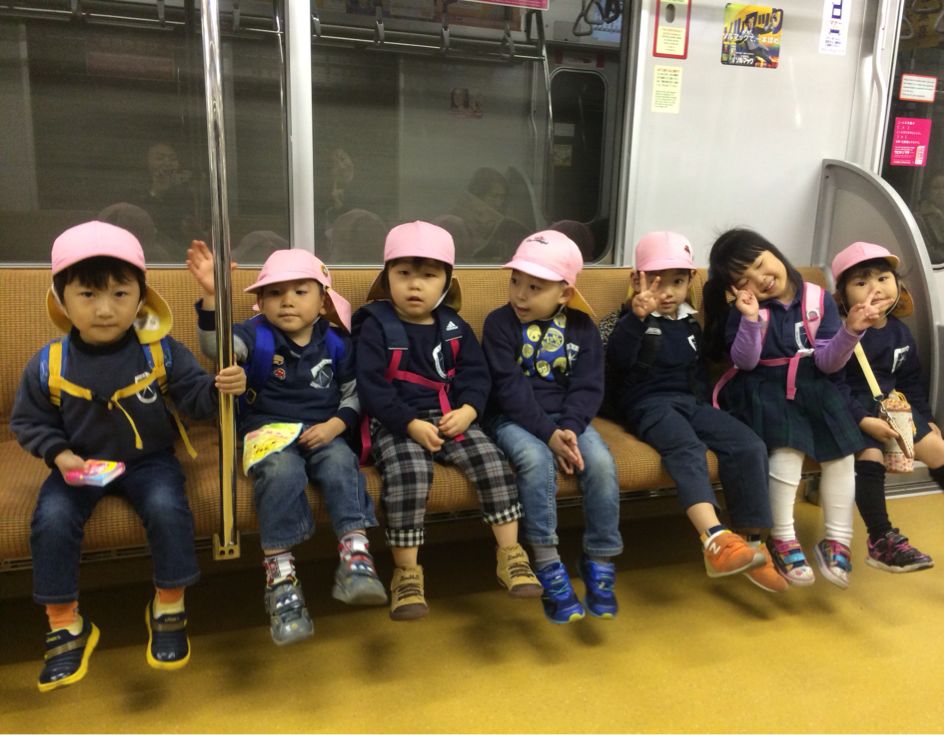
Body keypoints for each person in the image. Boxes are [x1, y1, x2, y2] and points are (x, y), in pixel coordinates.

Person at [10, 221, 245, 692]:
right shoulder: (49, 362)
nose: (104, 309)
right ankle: (65, 624)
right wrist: (59, 455)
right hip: (80, 464)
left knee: (167, 507)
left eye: (120, 294)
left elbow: (198, 400)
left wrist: (224, 387)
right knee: (51, 519)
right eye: (88, 294)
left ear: (141, 299)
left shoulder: (159, 351)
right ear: (62, 300)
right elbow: (29, 421)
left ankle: (169, 606)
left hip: (148, 462)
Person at [187, 242, 386, 646]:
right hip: (267, 431)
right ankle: (280, 575)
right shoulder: (255, 335)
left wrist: (335, 426)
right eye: (275, 293)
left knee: (339, 461)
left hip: (322, 429)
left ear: (323, 301)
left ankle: (355, 553)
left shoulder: (336, 342)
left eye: (300, 291)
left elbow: (353, 394)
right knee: (282, 470)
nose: (287, 301)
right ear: (260, 302)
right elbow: (218, 348)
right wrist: (212, 297)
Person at [353, 220, 541, 620]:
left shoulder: (454, 327)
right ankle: (407, 574)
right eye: (404, 274)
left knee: (492, 462)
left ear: (446, 282)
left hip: (451, 417)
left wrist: (469, 410)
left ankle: (510, 553)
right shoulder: (375, 326)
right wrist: (409, 423)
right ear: (386, 279)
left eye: (428, 276)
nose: (415, 285)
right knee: (409, 475)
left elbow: (477, 375)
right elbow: (371, 388)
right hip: (396, 422)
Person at [604, 232, 785, 592]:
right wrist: (636, 318)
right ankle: (714, 538)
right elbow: (617, 361)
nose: (668, 292)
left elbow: (698, 371)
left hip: (690, 402)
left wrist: (710, 411)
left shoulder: (689, 323)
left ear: (691, 281)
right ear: (636, 280)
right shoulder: (631, 319)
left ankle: (751, 544)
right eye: (657, 281)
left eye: (678, 281)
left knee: (748, 443)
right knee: (687, 448)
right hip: (647, 404)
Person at [702, 228, 881, 589]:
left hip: (812, 386)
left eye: (759, 263)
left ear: (773, 251)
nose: (760, 278)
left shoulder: (817, 299)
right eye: (744, 279)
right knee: (786, 450)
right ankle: (783, 538)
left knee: (842, 456)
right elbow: (745, 361)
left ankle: (837, 540)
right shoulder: (745, 310)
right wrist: (750, 319)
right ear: (735, 289)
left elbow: (828, 363)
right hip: (763, 388)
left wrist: (850, 331)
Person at [483, 231, 622, 623]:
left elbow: (589, 386)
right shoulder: (499, 324)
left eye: (535, 287)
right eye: (516, 282)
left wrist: (571, 429)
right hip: (512, 418)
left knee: (601, 464)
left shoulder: (583, 328)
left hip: (568, 421)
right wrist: (548, 435)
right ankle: (547, 564)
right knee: (535, 460)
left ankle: (600, 560)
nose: (520, 295)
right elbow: (508, 389)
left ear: (564, 293)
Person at [830, 241, 944, 564]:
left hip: (891, 408)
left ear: (898, 285)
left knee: (940, 450)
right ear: (843, 297)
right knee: (870, 455)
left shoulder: (899, 332)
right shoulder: (841, 333)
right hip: (850, 409)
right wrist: (862, 419)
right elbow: (832, 386)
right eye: (861, 282)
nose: (876, 288)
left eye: (883, 278)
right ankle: (881, 538)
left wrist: (926, 417)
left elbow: (909, 380)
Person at [915, 173, 944, 262]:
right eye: (936, 187)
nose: (941, 192)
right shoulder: (918, 217)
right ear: (927, 191)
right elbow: (926, 252)